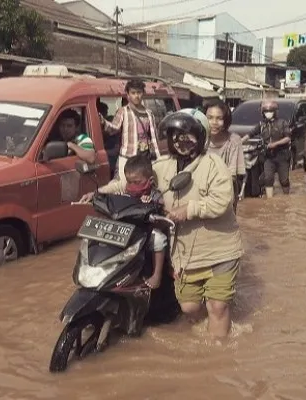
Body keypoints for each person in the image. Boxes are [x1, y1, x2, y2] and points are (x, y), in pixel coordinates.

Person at [82, 109, 243, 339]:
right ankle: (209, 329)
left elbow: (222, 201)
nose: (182, 142)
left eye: (188, 136)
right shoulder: (162, 166)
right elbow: (129, 182)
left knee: (217, 307)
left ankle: (216, 355)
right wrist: (98, 193)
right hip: (185, 254)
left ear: (199, 137)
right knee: (189, 308)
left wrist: (188, 210)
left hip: (219, 250)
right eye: (176, 137)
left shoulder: (213, 165)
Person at [102, 79, 162, 185]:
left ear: (143, 93)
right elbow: (114, 128)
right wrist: (103, 122)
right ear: (128, 95)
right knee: (122, 187)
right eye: (133, 93)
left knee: (142, 189)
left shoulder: (149, 114)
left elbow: (154, 139)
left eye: (139, 92)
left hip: (142, 161)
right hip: (126, 159)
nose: (136, 96)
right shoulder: (123, 111)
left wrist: (159, 160)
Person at [121, 154, 167, 289]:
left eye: (136, 182)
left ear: (150, 180)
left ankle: (156, 275)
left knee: (158, 239)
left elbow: (161, 206)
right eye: (129, 182)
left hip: (148, 231)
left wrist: (150, 203)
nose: (132, 186)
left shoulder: (155, 195)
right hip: (130, 230)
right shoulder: (126, 193)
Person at [204, 99, 246, 210]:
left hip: (225, 191)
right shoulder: (200, 140)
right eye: (210, 118)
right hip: (201, 191)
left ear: (226, 121)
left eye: (219, 118)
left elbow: (232, 176)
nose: (214, 122)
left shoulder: (234, 141)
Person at [251, 100, 291, 198]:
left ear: (275, 112)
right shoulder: (261, 125)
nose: (268, 113)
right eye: (266, 111)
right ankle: (270, 201)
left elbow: (288, 138)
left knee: (284, 180)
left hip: (282, 155)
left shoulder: (283, 123)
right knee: (268, 178)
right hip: (268, 156)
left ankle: (287, 198)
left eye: (270, 111)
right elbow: (250, 134)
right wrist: (239, 141)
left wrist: (275, 144)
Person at [98, 100, 120, 179]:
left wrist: (99, 154)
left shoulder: (112, 125)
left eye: (105, 113)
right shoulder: (91, 126)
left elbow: (116, 150)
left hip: (111, 166)